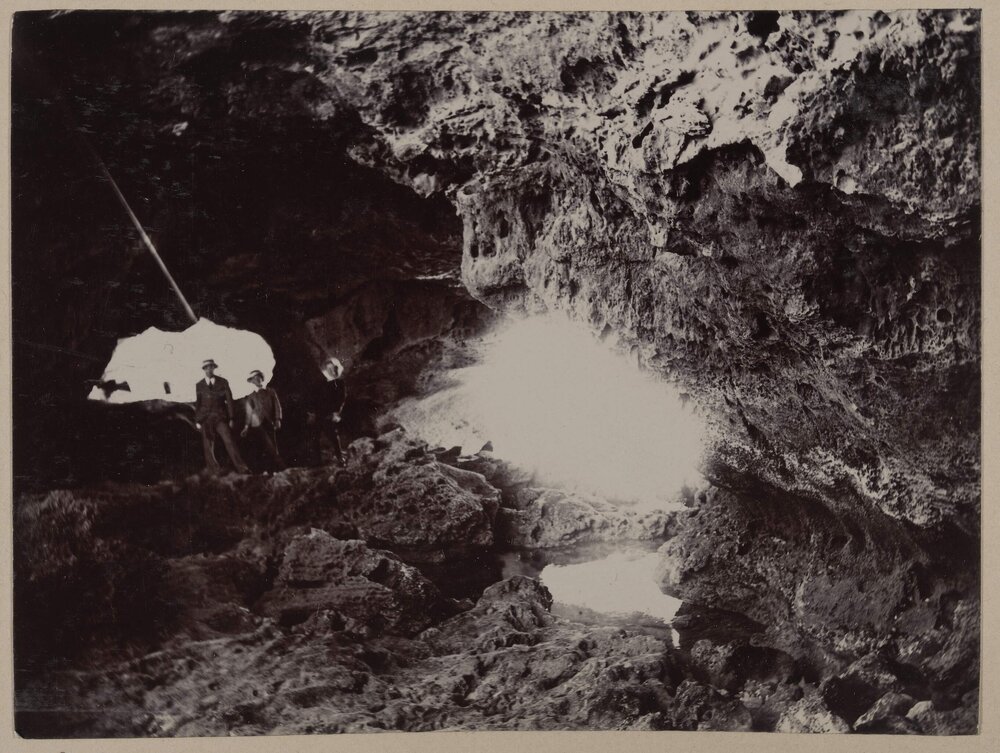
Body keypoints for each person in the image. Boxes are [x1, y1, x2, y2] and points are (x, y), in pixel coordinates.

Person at [194, 358, 250, 475]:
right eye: (206, 367)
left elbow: (229, 401)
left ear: (214, 368)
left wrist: (231, 418)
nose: (209, 369)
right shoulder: (199, 385)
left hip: (220, 417)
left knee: (229, 441)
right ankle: (214, 471)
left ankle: (242, 468)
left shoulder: (223, 382)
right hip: (205, 418)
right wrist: (198, 420)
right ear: (204, 369)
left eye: (211, 367)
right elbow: (198, 404)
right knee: (208, 445)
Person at [241, 369, 284, 471]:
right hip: (257, 424)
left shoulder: (270, 392)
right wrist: (246, 426)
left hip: (269, 421)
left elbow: (277, 406)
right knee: (261, 446)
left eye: (258, 377)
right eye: (254, 379)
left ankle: (276, 469)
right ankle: (265, 470)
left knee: (273, 445)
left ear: (261, 378)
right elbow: (249, 412)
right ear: (251, 382)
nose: (257, 380)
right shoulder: (251, 396)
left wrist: (278, 419)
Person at [310, 356, 347, 466]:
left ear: (336, 369)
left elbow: (341, 398)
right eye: (328, 369)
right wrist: (312, 412)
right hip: (319, 413)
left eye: (332, 368)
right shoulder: (321, 383)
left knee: (333, 436)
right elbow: (314, 398)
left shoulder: (340, 383)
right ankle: (317, 462)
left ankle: (340, 457)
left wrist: (336, 412)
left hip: (330, 413)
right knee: (314, 437)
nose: (331, 371)